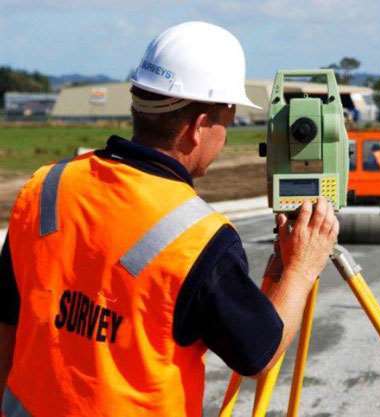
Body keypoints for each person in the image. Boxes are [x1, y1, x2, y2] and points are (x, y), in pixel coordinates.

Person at [0, 22, 338, 417]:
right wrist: (300, 267)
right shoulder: (198, 237)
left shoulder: (47, 187)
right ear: (198, 128)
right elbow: (258, 354)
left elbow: (8, 322)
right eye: (225, 124)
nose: (223, 138)